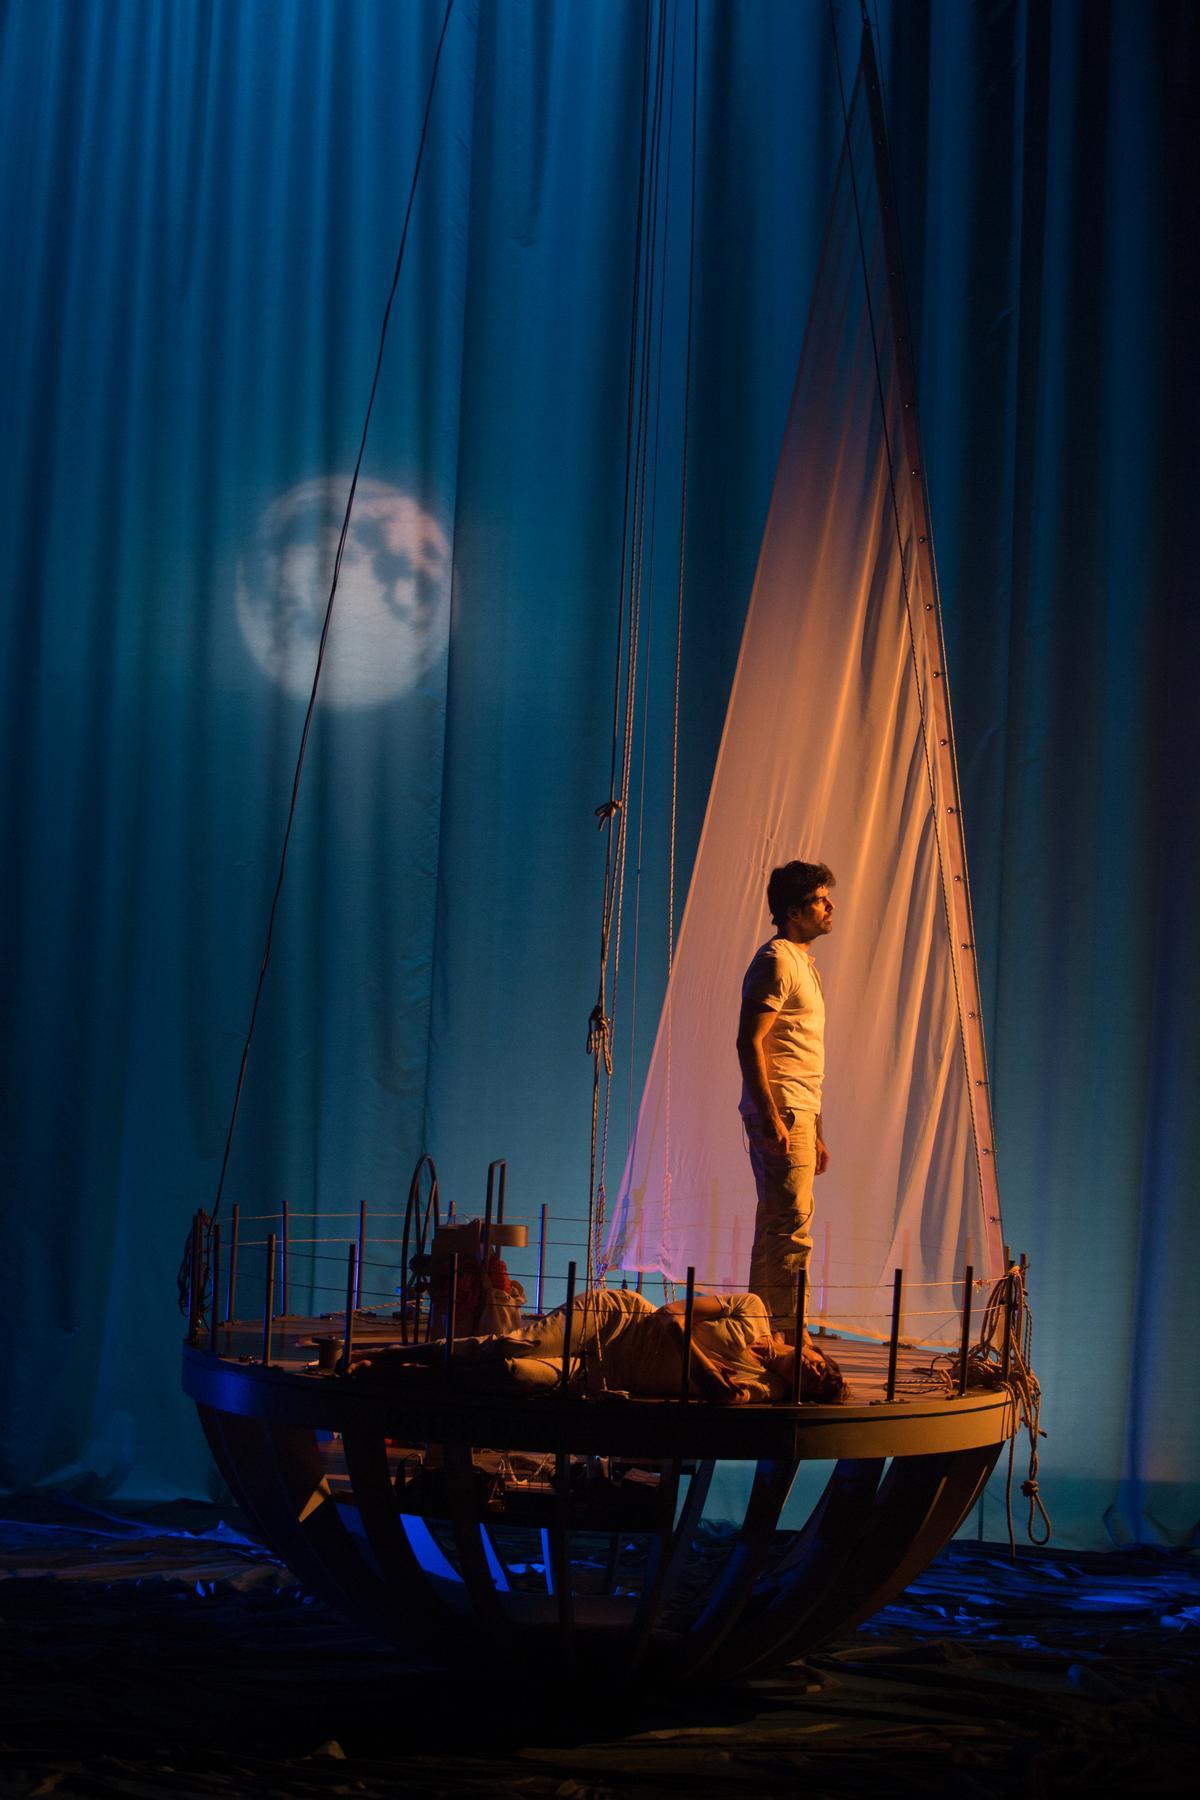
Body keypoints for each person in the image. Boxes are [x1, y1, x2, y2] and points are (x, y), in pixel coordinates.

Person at [352, 1285, 847, 1403]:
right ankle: (395, 1355)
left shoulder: (767, 1389)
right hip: (618, 1323)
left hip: (608, 1374)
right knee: (513, 1346)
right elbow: (673, 1313)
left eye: (819, 1384)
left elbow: (726, 1397)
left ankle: (392, 1378)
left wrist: (714, 1385)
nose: (817, 1372)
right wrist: (699, 1365)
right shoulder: (753, 1309)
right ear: (812, 1350)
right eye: (824, 1367)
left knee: (515, 1376)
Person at [736, 859, 835, 1339]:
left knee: (781, 1227)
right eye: (819, 899)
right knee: (788, 1231)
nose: (829, 906)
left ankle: (766, 1337)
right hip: (783, 1112)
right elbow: (749, 1041)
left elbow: (801, 1054)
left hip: (799, 1111)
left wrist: (815, 1130)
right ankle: (787, 1342)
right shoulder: (776, 961)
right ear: (794, 911)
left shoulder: (802, 964)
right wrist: (772, 1116)